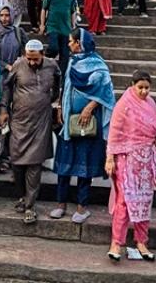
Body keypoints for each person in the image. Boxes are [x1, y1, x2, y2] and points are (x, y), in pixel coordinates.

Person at [52, 29, 113, 224]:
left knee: (84, 167)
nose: (69, 45)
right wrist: (62, 106)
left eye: (71, 41)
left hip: (89, 122)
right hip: (70, 122)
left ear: (80, 43)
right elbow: (66, 86)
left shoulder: (99, 66)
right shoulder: (72, 62)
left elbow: (106, 92)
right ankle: (61, 204)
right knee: (64, 165)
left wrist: (91, 105)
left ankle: (81, 207)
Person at [0, 39, 60, 224]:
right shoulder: (18, 65)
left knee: (34, 164)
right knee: (17, 161)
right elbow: (7, 86)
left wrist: (54, 101)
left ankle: (30, 206)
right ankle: (21, 196)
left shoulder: (52, 66)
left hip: (41, 120)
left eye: (35, 59)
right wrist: (3, 110)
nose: (32, 62)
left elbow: (58, 84)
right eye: (29, 59)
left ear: (42, 55)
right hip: (19, 119)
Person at [104, 70, 156, 262]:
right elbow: (114, 131)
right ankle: (116, 243)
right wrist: (110, 158)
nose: (144, 91)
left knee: (145, 201)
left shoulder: (152, 103)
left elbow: (154, 125)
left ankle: (141, 241)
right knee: (124, 201)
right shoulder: (124, 104)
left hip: (146, 160)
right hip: (127, 159)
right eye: (140, 87)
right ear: (132, 85)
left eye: (147, 88)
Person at [40, 0, 76, 78]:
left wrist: (73, 26)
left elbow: (72, 11)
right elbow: (43, 9)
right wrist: (42, 25)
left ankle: (60, 76)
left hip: (66, 29)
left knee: (65, 55)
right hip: (53, 27)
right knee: (54, 48)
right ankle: (43, 60)